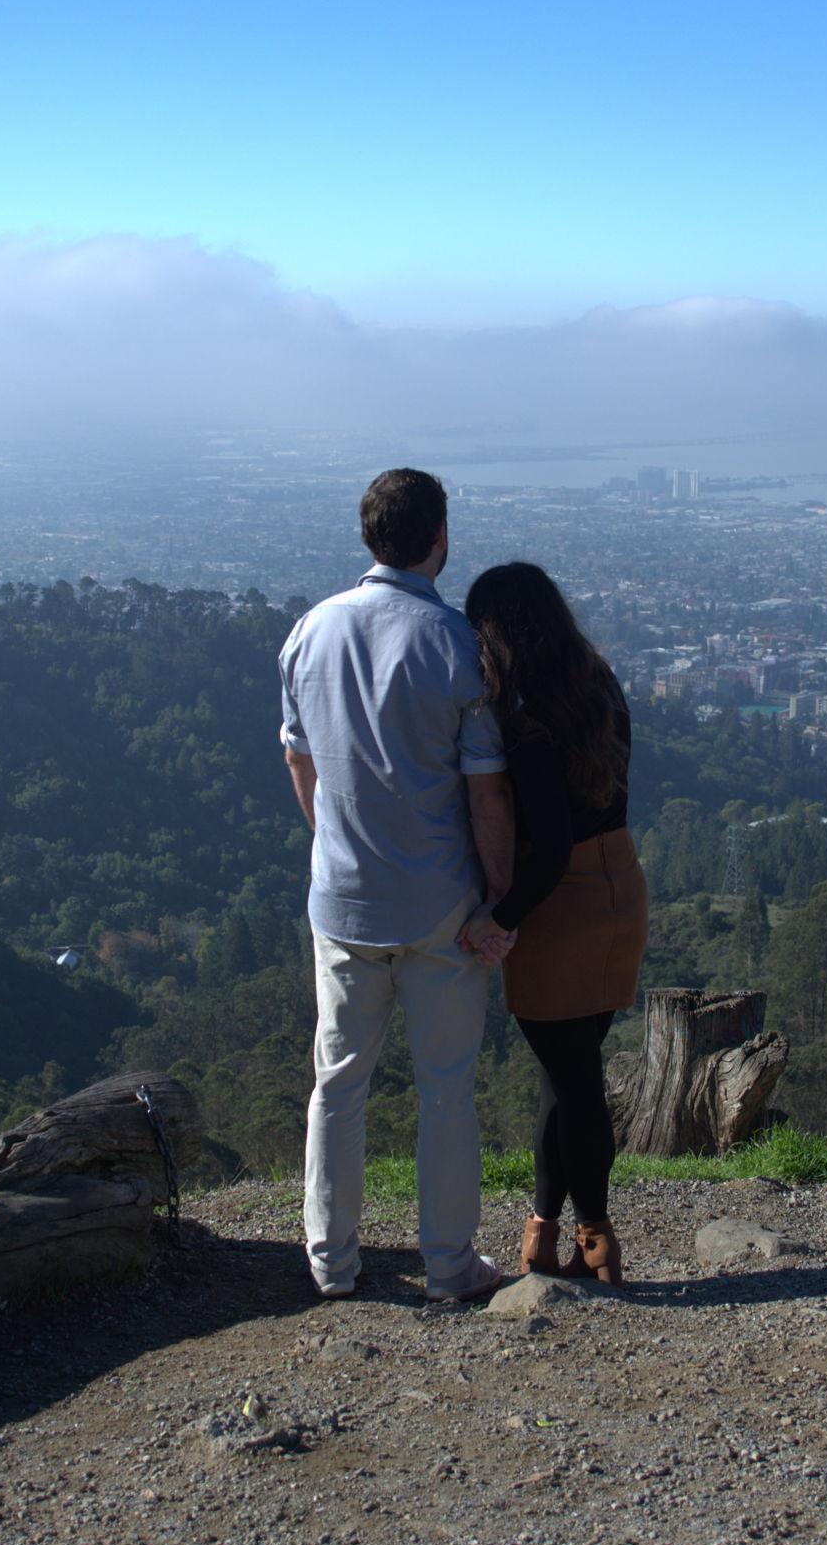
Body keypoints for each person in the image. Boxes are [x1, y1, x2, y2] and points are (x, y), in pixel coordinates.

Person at [278, 468, 516, 1301]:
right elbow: (487, 794)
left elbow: (300, 761)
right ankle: (449, 1263)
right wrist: (498, 901)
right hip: (443, 904)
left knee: (338, 1083)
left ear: (368, 536)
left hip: (343, 898)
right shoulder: (456, 645)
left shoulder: (310, 631)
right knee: (445, 1089)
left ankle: (330, 1261)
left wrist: (335, 843)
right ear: (439, 539)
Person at [459, 562, 649, 1286]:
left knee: (574, 1082)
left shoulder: (527, 717)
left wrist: (497, 917)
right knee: (566, 1075)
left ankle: (593, 1234)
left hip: (559, 905)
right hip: (619, 886)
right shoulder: (597, 685)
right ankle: (544, 1233)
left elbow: (550, 844)